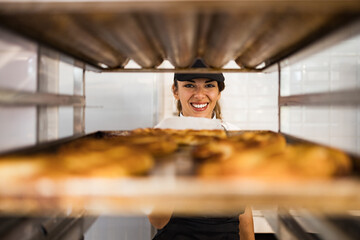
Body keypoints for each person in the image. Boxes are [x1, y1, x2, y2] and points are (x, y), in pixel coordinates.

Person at [149, 59, 255, 240]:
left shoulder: (235, 135)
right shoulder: (160, 137)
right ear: (175, 91)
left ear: (219, 92)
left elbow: (244, 210)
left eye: (209, 85)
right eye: (190, 85)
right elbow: (158, 221)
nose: (200, 95)